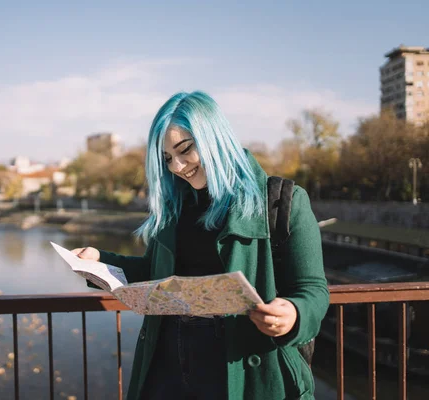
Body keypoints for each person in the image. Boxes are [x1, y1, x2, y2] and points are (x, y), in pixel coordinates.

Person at [72, 91, 329, 400]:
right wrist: (100, 262)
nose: (178, 166)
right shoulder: (174, 208)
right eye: (167, 158)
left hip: (242, 363)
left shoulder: (281, 200)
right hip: (167, 359)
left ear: (214, 137)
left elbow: (313, 288)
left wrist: (293, 313)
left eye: (185, 149)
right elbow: (154, 274)